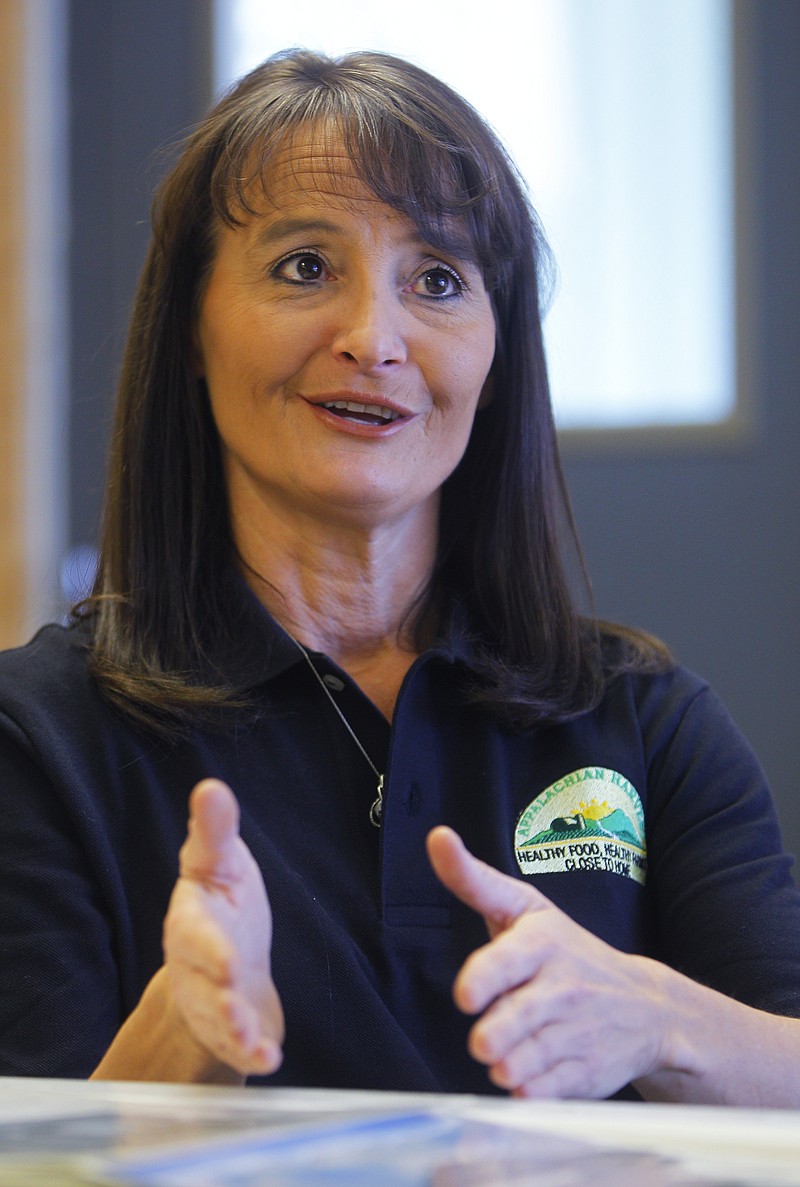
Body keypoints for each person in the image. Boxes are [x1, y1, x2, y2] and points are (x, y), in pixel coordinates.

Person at [1, 48, 799, 1104]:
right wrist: (184, 1032)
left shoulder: (641, 720)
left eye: (436, 279)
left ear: (495, 350)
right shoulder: (39, 736)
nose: (374, 339)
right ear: (190, 326)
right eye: (302, 266)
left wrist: (656, 1016)